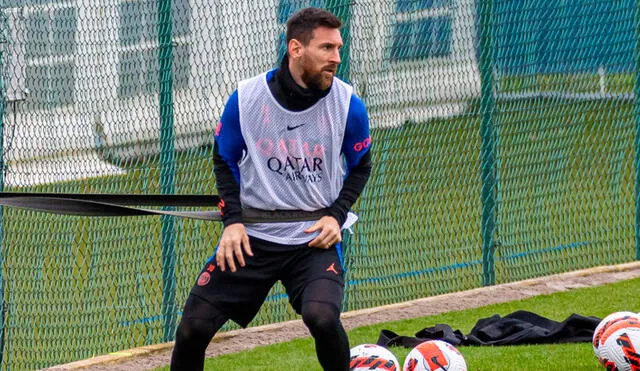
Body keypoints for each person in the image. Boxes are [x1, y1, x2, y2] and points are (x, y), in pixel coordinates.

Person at [170, 7, 372, 370]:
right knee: (192, 331)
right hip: (252, 237)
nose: (336, 58)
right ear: (296, 49)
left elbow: (361, 166)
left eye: (338, 48)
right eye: (327, 48)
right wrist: (232, 221)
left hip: (312, 240)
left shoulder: (348, 105)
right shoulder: (247, 98)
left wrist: (335, 216)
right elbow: (225, 160)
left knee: (322, 319)